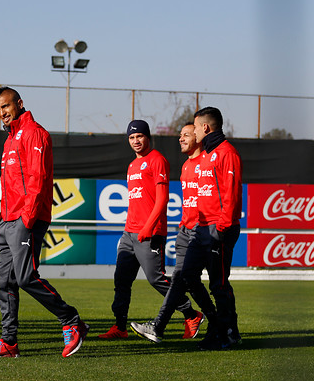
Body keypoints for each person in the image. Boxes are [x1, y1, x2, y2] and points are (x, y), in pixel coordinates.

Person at [0, 87, 88, 359]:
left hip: (27, 220)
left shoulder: (35, 133)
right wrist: (4, 218)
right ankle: (9, 342)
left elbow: (37, 182)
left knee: (26, 278)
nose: (2, 113)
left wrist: (27, 219)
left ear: (19, 103)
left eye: (6, 106)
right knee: (3, 281)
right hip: (7, 220)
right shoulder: (9, 140)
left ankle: (71, 319)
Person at [99, 120, 200, 339]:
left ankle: (191, 314)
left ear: (148, 137)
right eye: (131, 138)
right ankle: (120, 327)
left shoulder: (157, 160)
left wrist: (148, 227)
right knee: (122, 281)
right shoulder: (132, 166)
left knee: (157, 279)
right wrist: (132, 229)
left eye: (139, 136)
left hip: (150, 232)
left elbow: (162, 200)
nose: (135, 141)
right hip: (129, 233)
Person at [130, 122, 207, 343]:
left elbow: (164, 199)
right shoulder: (185, 166)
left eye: (186, 135)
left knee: (198, 281)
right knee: (187, 279)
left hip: (201, 230)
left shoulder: (207, 162)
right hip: (184, 229)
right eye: (180, 135)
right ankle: (124, 324)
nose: (181, 139)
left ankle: (214, 323)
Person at [192, 106, 242, 350]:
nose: (193, 131)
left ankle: (228, 333)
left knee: (219, 284)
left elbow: (231, 194)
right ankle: (216, 325)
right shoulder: (206, 154)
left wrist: (221, 227)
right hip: (201, 229)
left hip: (219, 228)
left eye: (195, 126)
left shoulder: (226, 152)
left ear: (205, 127)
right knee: (188, 276)